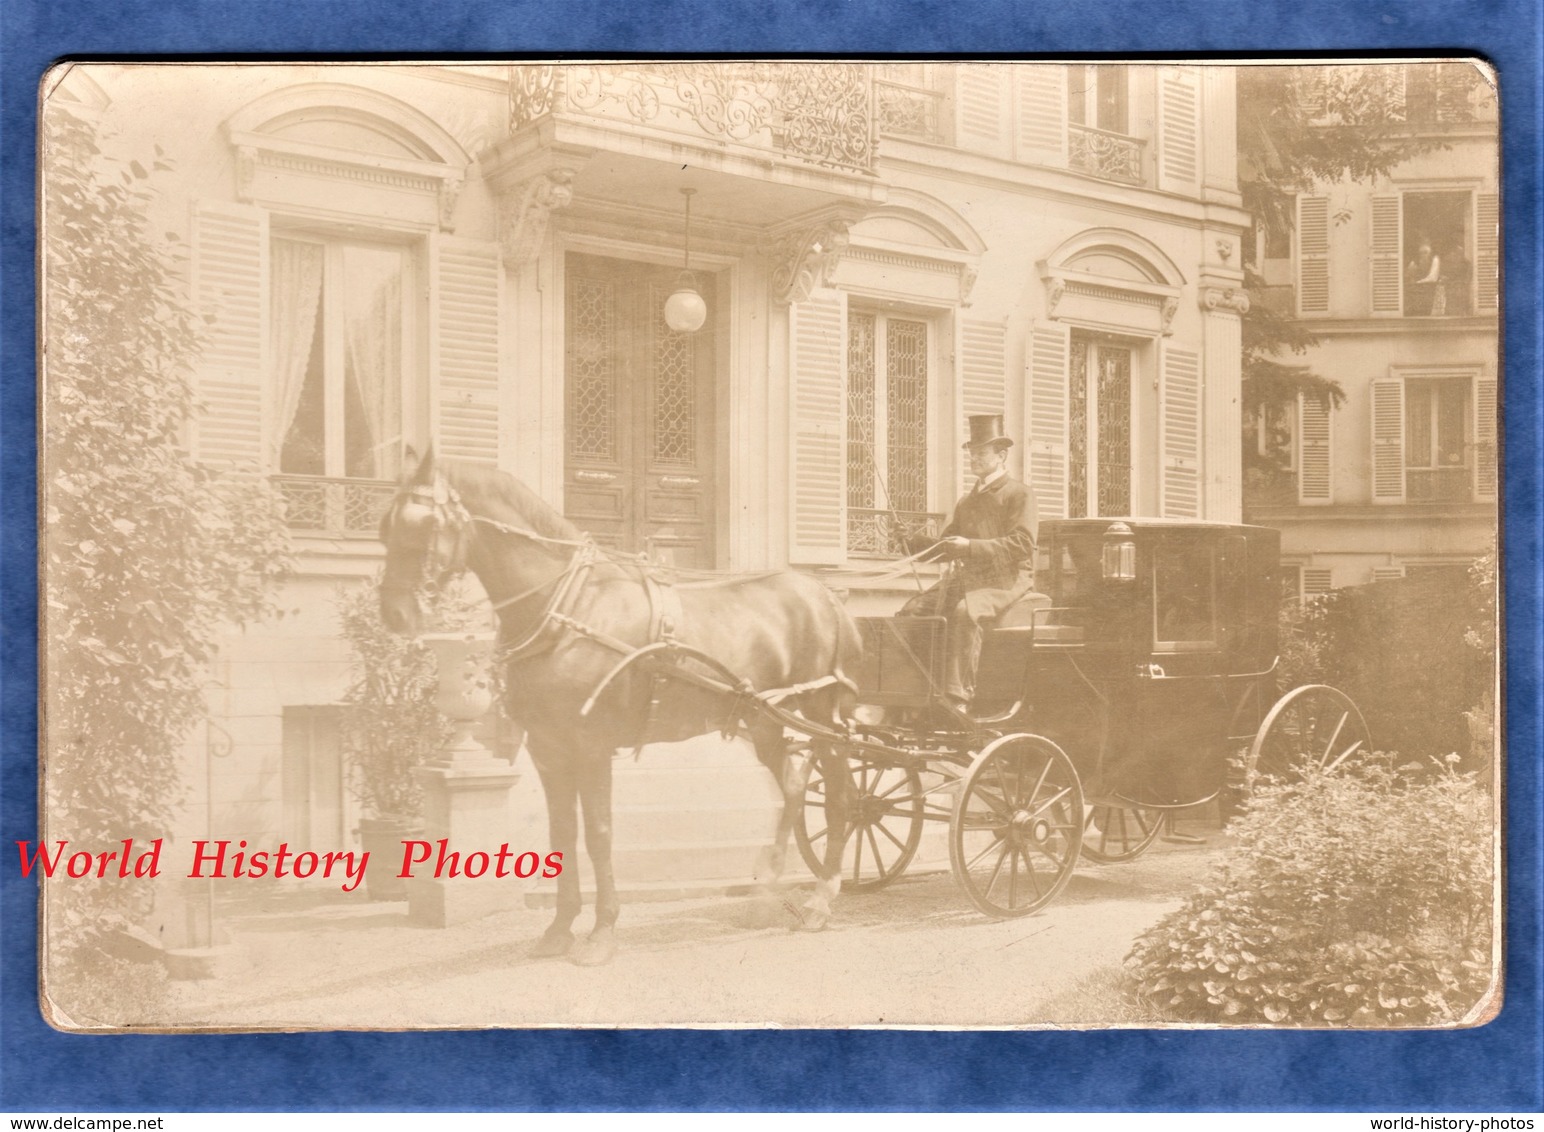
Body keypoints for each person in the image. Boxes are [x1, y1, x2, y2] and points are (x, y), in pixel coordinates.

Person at [900, 414, 1038, 716]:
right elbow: (946, 548)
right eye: (972, 453)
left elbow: (1023, 545)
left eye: (981, 453)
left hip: (1008, 578)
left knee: (965, 613)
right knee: (912, 611)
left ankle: (958, 697)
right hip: (969, 577)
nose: (974, 458)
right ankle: (918, 690)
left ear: (1001, 455)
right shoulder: (967, 501)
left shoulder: (1019, 494)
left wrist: (971, 547)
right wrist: (911, 542)